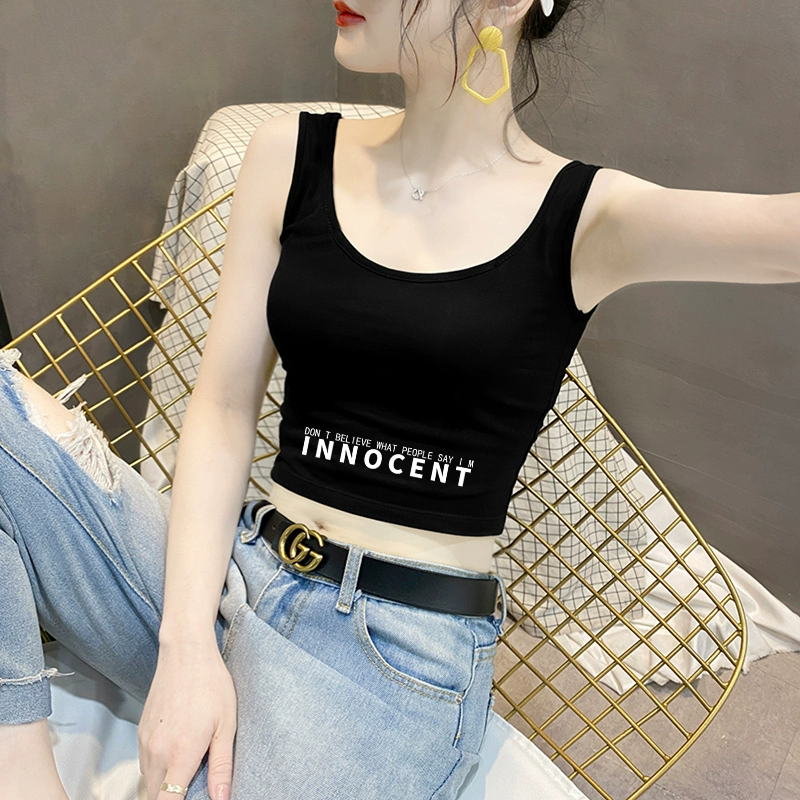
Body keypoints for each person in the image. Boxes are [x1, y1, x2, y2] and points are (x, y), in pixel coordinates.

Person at [2, 1, 799, 799]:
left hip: (390, 656)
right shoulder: (289, 153)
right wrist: (186, 652)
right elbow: (222, 407)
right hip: (229, 573)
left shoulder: (591, 216)